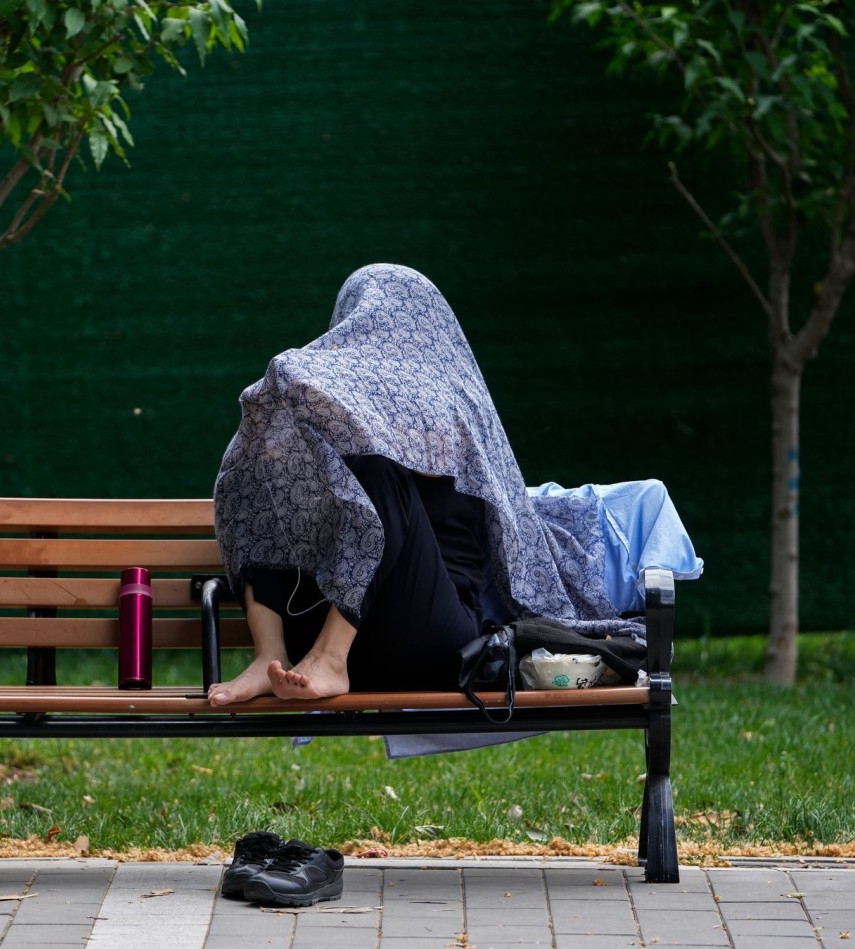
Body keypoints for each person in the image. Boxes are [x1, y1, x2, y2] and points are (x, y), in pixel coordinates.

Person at [206, 263, 683, 709]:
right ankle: (269, 656)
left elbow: (398, 456)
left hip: (432, 633)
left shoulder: (451, 409)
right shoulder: (338, 414)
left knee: (378, 470)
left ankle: (332, 658)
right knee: (265, 456)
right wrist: (274, 418)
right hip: (335, 632)